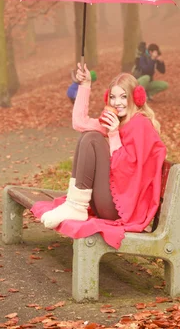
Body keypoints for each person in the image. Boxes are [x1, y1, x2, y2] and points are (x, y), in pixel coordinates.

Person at [32, 64, 167, 249]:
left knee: (94, 139)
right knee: (88, 135)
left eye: (123, 96)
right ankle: (75, 204)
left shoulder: (141, 125)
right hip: (107, 199)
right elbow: (80, 123)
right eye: (112, 97)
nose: (117, 102)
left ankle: (76, 206)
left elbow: (128, 174)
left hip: (121, 208)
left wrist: (113, 135)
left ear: (136, 97)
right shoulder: (116, 121)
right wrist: (86, 84)